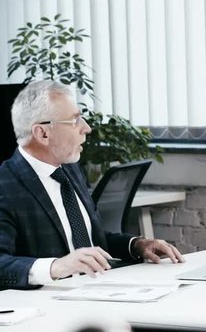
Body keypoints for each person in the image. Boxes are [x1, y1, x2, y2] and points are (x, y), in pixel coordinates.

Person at [0, 80, 184, 290]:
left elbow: (89, 240)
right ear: (43, 133)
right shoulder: (6, 185)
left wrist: (137, 245)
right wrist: (56, 267)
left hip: (97, 291)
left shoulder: (69, 169)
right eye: (74, 120)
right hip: (47, 307)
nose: (86, 128)